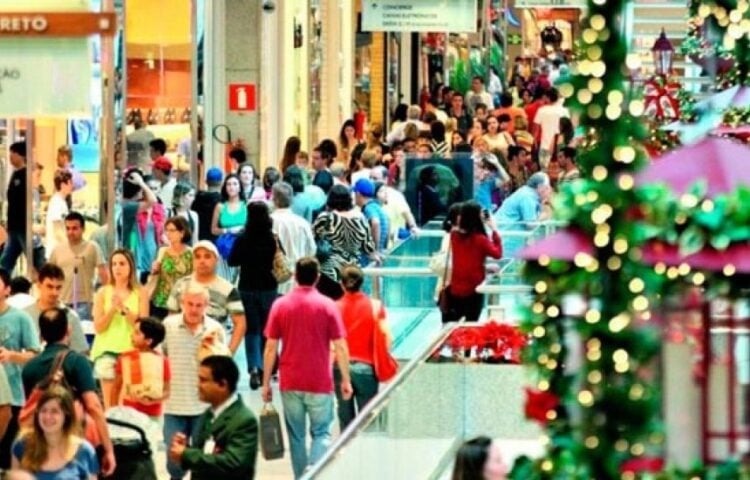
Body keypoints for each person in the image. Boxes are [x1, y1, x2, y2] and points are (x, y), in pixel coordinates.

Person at [262, 257, 353, 479]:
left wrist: (266, 382)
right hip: (320, 380)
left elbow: (270, 348)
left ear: (294, 276)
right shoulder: (327, 305)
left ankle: (301, 475)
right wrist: (346, 379)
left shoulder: (280, 305)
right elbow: (340, 346)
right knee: (322, 432)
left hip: (290, 379)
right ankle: (315, 468)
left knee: (296, 436)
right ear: (318, 278)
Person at [21, 307, 115, 476]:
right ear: (68, 331)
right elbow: (93, 406)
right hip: (74, 443)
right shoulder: (77, 361)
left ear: (41, 336)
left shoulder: (29, 368)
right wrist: (108, 450)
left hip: (42, 445)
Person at [162, 282, 226, 480]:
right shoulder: (168, 326)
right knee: (175, 463)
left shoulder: (215, 329)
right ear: (182, 303)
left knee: (198, 457)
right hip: (174, 405)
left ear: (207, 306)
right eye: (190, 304)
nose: (194, 309)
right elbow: (158, 359)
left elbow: (225, 365)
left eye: (199, 305)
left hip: (203, 406)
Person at [169, 355, 258, 480]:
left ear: (222, 384)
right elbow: (205, 454)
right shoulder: (207, 414)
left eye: (203, 380)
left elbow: (233, 463)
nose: (198, 385)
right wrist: (184, 450)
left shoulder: (244, 420)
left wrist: (186, 454)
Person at [227, 202, 279, 389]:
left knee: (251, 330)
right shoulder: (271, 238)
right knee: (268, 329)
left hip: (247, 286)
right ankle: (268, 365)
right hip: (269, 287)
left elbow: (232, 261)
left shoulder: (243, 238)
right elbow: (280, 260)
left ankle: (254, 368)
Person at [334, 265, 391, 429]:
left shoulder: (334, 308)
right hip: (367, 368)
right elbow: (387, 338)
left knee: (345, 421)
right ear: (362, 283)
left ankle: (346, 453)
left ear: (341, 284)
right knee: (369, 421)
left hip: (340, 367)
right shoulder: (375, 306)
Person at [91, 249, 148, 408]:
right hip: (106, 351)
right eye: (114, 264)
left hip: (132, 350)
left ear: (130, 267)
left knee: (127, 402)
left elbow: (143, 326)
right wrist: (112, 310)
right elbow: (98, 327)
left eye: (122, 263)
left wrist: (124, 310)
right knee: (109, 404)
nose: (117, 268)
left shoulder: (141, 292)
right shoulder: (102, 293)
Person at [167, 241, 246, 355]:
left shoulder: (227, 289)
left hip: (213, 351)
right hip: (183, 350)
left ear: (216, 260)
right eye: (197, 257)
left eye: (207, 256)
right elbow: (171, 317)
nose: (202, 261)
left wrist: (229, 353)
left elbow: (240, 323)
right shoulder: (181, 285)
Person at [11, 386, 100, 479]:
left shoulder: (85, 451)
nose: (47, 417)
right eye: (43, 410)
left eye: (54, 411)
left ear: (67, 415)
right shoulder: (22, 445)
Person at [0, 268, 41, 469]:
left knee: (9, 457)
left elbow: (34, 354)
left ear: (7, 289)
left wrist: (12, 356)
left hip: (12, 396)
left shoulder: (20, 318)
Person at [312, 185, 376, 300]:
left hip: (329, 273)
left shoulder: (325, 218)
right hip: (352, 273)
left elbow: (312, 239)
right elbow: (368, 247)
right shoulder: (360, 218)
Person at [442, 201, 502, 323]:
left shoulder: (454, 235)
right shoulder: (480, 239)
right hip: (474, 288)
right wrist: (494, 229)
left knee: (456, 323)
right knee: (471, 323)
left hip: (456, 287)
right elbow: (497, 254)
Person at [48, 212, 108, 321]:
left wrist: (106, 298)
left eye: (75, 228)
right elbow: (49, 276)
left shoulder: (92, 247)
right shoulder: (57, 250)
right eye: (68, 228)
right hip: (61, 302)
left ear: (83, 229)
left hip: (84, 303)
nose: (71, 232)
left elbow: (103, 273)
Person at [111, 317, 170, 419]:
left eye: (137, 333)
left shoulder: (162, 361)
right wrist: (113, 413)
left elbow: (167, 391)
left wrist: (153, 401)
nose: (132, 335)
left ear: (148, 341)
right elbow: (116, 388)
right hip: (129, 414)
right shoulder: (125, 358)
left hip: (153, 415)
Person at [23, 264, 88, 354]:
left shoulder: (70, 317)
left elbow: (81, 352)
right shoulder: (25, 315)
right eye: (49, 286)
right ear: (39, 285)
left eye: (58, 287)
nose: (54, 292)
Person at [1, 142, 44, 273]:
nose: (10, 157)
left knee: (35, 261)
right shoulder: (16, 174)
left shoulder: (27, 175)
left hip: (24, 227)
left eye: (12, 153)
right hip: (14, 227)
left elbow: (31, 201)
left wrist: (33, 223)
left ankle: (45, 280)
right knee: (6, 262)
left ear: (20, 155)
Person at [269, 182, 316, 294]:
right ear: (291, 200)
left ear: (274, 199)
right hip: (298, 280)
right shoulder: (303, 223)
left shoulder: (267, 222)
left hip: (273, 279)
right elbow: (312, 250)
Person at [118, 168, 162, 283]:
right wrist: (141, 183)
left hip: (130, 257)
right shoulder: (129, 207)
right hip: (130, 258)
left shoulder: (122, 206)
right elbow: (153, 200)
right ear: (138, 192)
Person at [495, 172, 552, 256]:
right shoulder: (527, 197)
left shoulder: (527, 193)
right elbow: (530, 224)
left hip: (506, 238)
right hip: (507, 241)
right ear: (540, 187)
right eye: (547, 187)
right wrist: (544, 215)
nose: (549, 190)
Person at [149, 217, 193, 319]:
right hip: (161, 300)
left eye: (172, 230)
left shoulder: (191, 253)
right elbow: (155, 273)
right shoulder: (162, 251)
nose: (168, 234)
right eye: (166, 230)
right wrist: (154, 269)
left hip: (181, 301)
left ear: (182, 232)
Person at [210, 173, 246, 281]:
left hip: (243, 246)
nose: (231, 187)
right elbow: (213, 230)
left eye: (235, 184)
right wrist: (227, 230)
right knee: (225, 281)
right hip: (224, 248)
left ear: (240, 187)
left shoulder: (247, 205)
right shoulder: (220, 206)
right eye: (228, 184)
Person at [352, 178, 389, 253]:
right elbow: (388, 221)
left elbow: (376, 223)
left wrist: (373, 250)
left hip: (370, 256)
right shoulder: (376, 206)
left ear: (358, 194)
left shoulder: (368, 208)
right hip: (380, 251)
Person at [44, 170, 74, 258]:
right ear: (62, 185)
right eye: (70, 183)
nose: (72, 186)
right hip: (55, 253)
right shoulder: (56, 202)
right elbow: (57, 231)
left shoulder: (62, 201)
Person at [192, 168, 223, 243]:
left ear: (206, 181)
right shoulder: (222, 201)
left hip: (199, 240)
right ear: (221, 182)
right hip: (217, 241)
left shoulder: (196, 199)